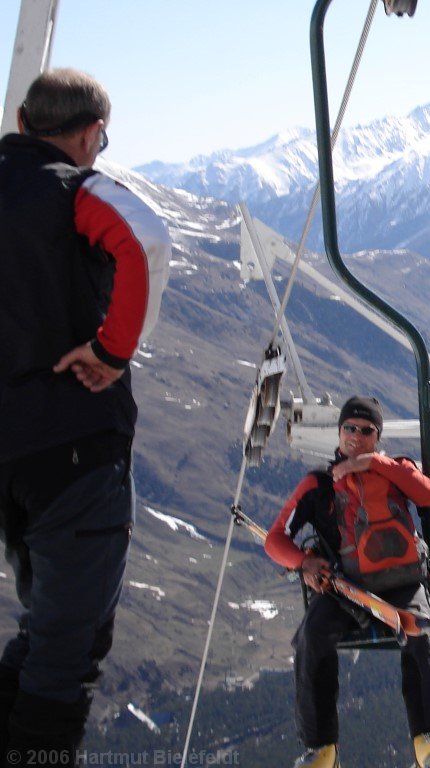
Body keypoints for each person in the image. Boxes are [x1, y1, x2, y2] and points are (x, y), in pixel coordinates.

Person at [0, 69, 171, 765]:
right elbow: (147, 240)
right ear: (90, 133)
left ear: (20, 119)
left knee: (43, 631)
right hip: (73, 450)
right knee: (69, 651)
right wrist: (111, 351)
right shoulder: (78, 188)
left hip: (7, 457)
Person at [265, 396, 430, 768]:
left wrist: (372, 464)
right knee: (312, 637)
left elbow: (427, 494)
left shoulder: (396, 470)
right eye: (349, 428)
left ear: (377, 437)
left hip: (401, 582)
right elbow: (276, 540)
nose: (355, 436)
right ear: (339, 431)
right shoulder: (317, 486)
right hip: (344, 588)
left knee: (423, 634)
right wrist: (304, 563)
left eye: (365, 431)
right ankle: (322, 748)